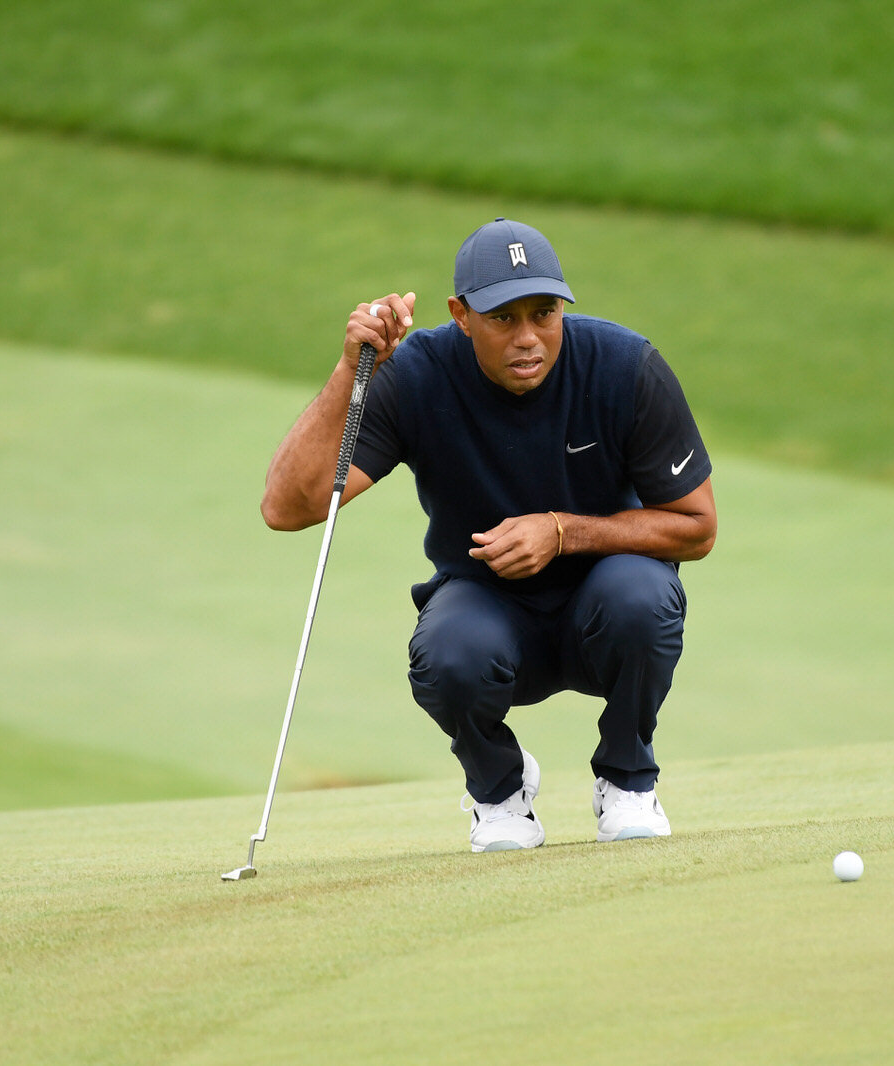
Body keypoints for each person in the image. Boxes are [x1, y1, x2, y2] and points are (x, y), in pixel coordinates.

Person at [260, 218, 717, 852]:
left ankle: (627, 777)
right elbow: (289, 507)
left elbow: (696, 527)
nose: (529, 338)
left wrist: (560, 532)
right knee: (446, 655)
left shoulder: (623, 365)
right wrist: (350, 370)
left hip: (605, 605)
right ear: (461, 314)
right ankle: (501, 790)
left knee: (642, 596)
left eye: (545, 312)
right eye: (503, 318)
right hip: (487, 608)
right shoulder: (418, 373)